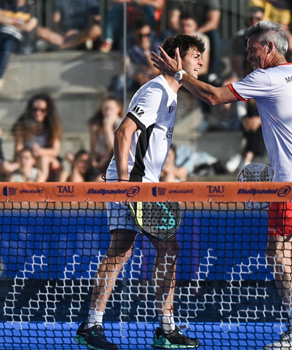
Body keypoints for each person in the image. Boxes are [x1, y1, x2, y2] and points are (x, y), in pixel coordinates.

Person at [151, 20, 292, 350]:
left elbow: (215, 96)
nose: (249, 56)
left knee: (276, 252)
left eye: (252, 49)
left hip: (291, 184)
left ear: (270, 48)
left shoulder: (267, 76)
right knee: (287, 250)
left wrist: (178, 73)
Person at [74, 34, 205, 350]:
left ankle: (164, 328)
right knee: (124, 249)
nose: (201, 60)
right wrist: (125, 184)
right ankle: (94, 325)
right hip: (131, 184)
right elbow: (123, 132)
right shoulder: (157, 91)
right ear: (176, 56)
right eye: (195, 54)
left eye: (202, 55)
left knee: (157, 250)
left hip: (146, 186)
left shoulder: (171, 95)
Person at [0, 0, 37, 93]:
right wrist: (18, 21)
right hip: (1, 33)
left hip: (16, 36)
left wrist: (7, 20)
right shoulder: (5, 3)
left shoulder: (31, 8)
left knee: (6, 49)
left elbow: (29, 27)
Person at [11, 93, 63, 180]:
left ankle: (39, 188)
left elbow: (55, 151)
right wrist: (31, 153)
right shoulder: (22, 125)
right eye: (35, 110)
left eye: (42, 110)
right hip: (27, 158)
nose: (38, 113)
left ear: (47, 112)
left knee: (43, 160)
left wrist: (40, 151)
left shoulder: (53, 127)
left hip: (45, 159)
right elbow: (18, 148)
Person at [36, 0, 102, 51]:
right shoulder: (60, 1)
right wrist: (63, 34)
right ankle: (66, 45)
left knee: (96, 30)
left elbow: (91, 23)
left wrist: (77, 32)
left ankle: (64, 47)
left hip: (81, 35)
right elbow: (55, 22)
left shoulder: (90, 1)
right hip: (62, 36)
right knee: (40, 31)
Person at [88, 96, 124, 175]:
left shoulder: (122, 125)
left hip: (116, 160)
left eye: (111, 109)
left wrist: (108, 127)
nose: (108, 113)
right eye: (105, 109)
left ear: (118, 109)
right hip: (101, 160)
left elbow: (114, 149)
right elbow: (93, 151)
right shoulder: (97, 125)